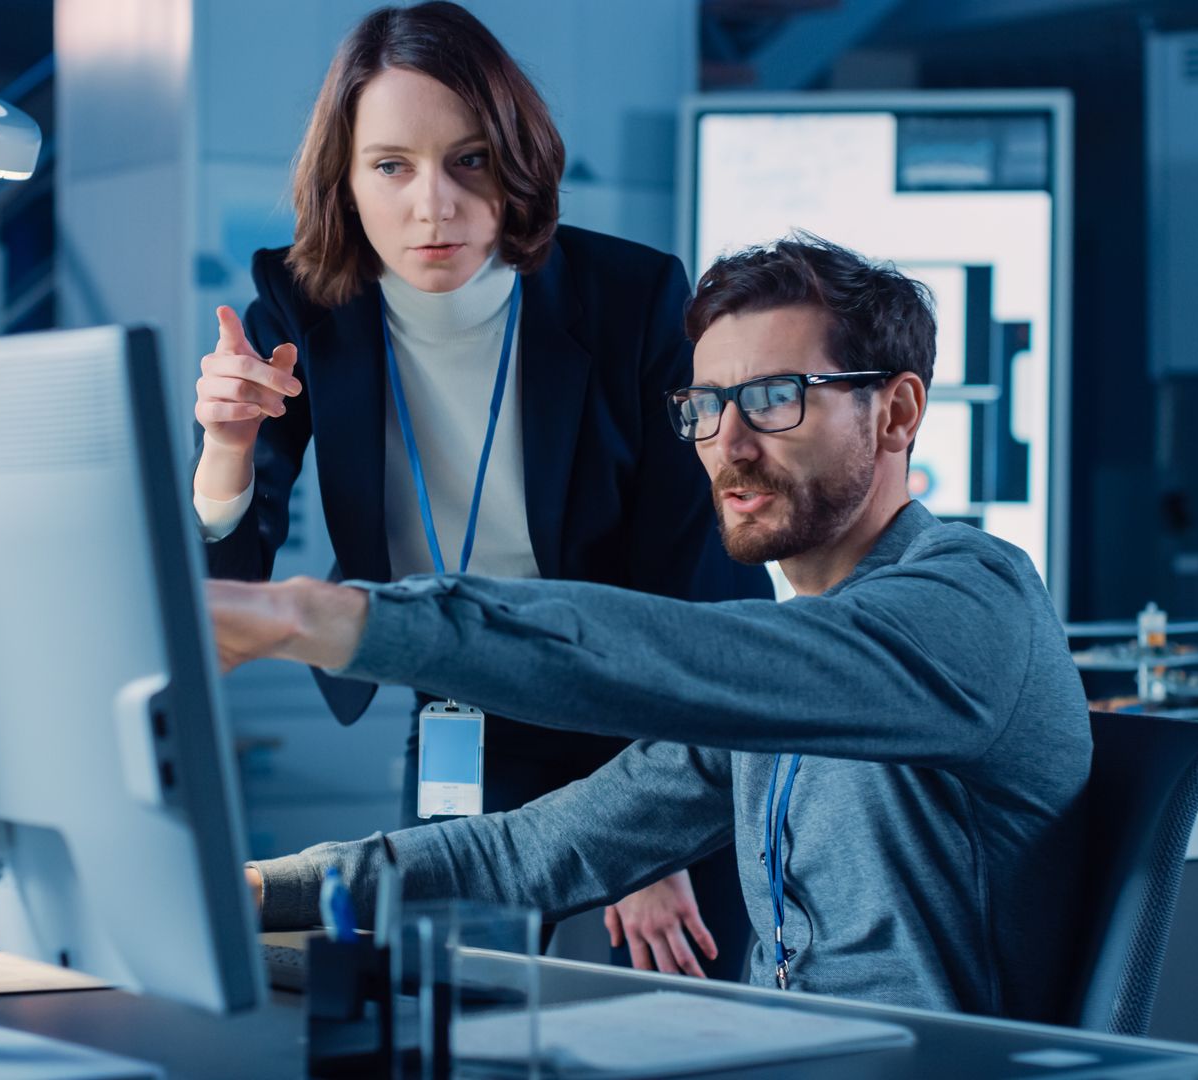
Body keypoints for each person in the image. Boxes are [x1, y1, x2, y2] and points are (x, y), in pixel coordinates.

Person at [206, 235, 1094, 1019]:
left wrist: (330, 616)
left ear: (897, 412)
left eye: (777, 397)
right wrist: (256, 889)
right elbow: (537, 852)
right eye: (706, 407)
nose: (729, 445)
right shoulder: (785, 669)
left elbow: (677, 658)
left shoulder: (973, 606)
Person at [191, 2, 768, 978]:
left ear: (517, 162)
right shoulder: (305, 308)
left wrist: (651, 826)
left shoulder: (630, 302)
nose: (433, 206)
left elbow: (695, 584)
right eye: (392, 166)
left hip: (653, 715)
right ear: (345, 176)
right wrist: (227, 448)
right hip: (466, 715)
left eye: (468, 161)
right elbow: (221, 586)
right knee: (443, 1012)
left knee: (688, 1013)